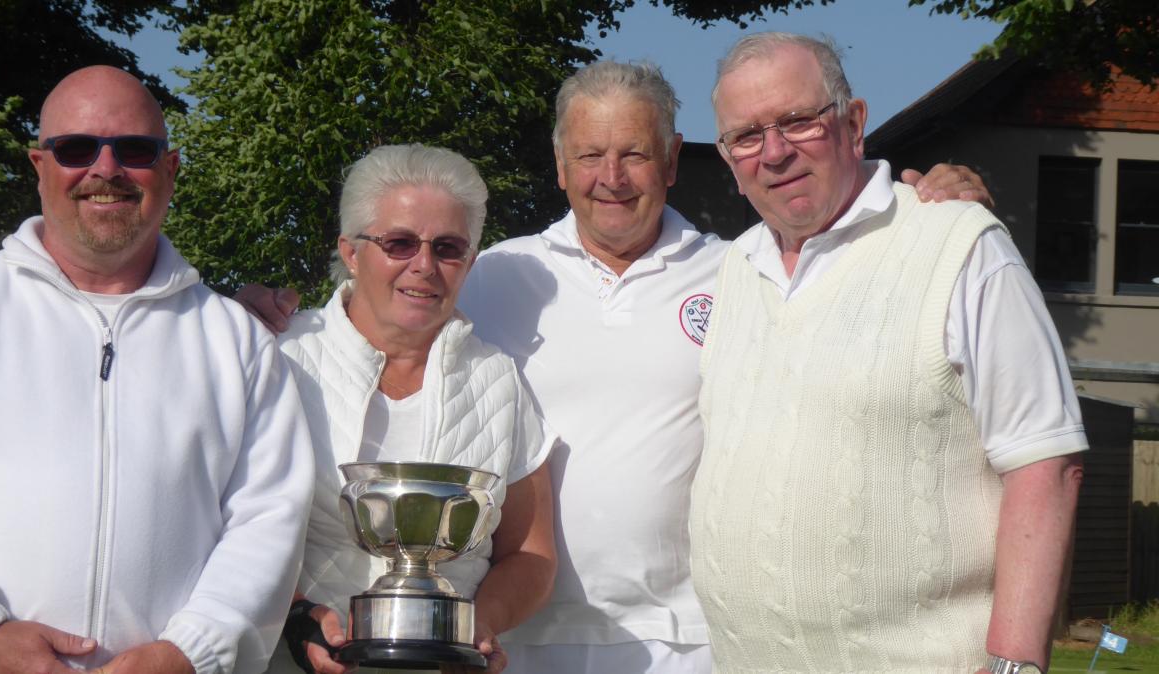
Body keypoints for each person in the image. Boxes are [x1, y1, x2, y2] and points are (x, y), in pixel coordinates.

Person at [238, 61, 989, 674]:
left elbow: (850, 278)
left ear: (670, 160)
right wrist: (251, 316)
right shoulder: (497, 272)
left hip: (688, 640)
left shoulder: (745, 272)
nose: (612, 176)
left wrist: (920, 209)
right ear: (561, 169)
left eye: (633, 152)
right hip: (519, 644)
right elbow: (378, 302)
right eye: (590, 155)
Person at [692, 32, 1086, 674]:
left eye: (797, 121)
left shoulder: (957, 243)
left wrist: (1015, 664)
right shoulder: (735, 269)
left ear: (852, 123)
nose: (774, 152)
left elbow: (1046, 463)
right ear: (729, 160)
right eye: (747, 135)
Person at [0, 66, 314, 674]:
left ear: (170, 169)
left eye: (135, 150)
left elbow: (270, 517)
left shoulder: (235, 341)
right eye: (74, 148)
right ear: (39, 166)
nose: (105, 169)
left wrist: (192, 652)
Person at [266, 144, 556, 674]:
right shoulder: (280, 359)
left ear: (469, 261)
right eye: (399, 243)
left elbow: (532, 554)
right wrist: (296, 617)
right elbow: (222, 525)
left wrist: (474, 629)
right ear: (352, 252)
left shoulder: (498, 380)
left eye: (447, 248)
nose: (424, 266)